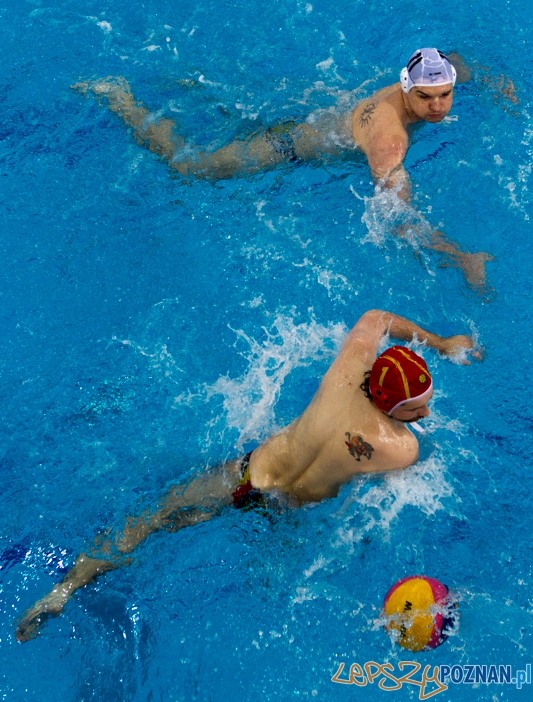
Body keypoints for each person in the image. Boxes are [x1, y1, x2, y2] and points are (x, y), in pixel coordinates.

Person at [15, 308, 481, 642]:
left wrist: (429, 345)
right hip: (288, 518)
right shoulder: (401, 448)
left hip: (246, 477)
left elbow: (377, 317)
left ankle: (61, 591)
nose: (428, 409)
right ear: (396, 409)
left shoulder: (346, 371)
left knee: (152, 520)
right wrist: (444, 345)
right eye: (420, 405)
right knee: (273, 594)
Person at [72, 49, 495, 290]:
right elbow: (397, 217)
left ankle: (177, 81)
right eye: (426, 97)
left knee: (230, 112)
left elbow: (459, 59)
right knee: (194, 167)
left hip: (321, 113)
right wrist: (460, 258)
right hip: (294, 148)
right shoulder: (390, 142)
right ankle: (121, 99)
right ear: (407, 88)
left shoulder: (429, 78)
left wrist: (496, 81)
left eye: (445, 94)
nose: (437, 105)